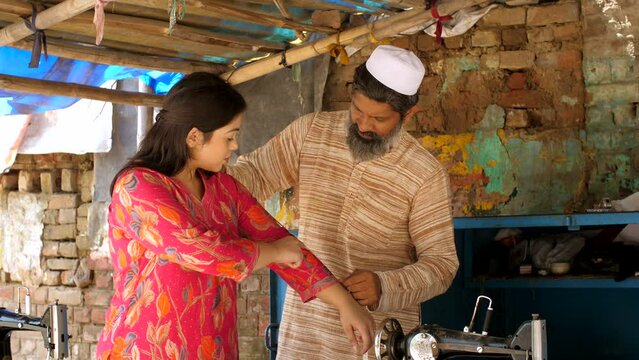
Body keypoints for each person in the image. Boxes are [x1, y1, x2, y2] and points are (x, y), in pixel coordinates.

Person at [95, 73, 375, 360]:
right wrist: (274, 252)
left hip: (215, 349)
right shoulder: (138, 187)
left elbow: (281, 243)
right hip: (143, 350)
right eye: (229, 137)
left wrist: (344, 303)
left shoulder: (224, 188)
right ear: (193, 137)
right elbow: (202, 251)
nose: (234, 147)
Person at [226, 45, 459, 359]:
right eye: (357, 110)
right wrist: (198, 173)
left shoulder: (424, 174)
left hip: (379, 340)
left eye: (378, 119)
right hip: (307, 330)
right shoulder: (311, 132)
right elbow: (253, 174)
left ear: (409, 114)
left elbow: (442, 265)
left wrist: (385, 285)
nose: (363, 125)